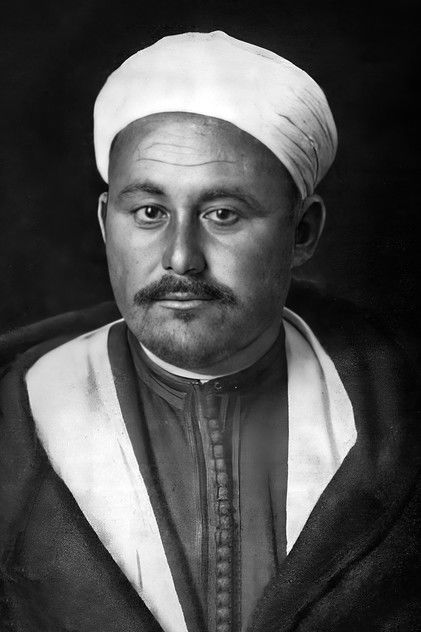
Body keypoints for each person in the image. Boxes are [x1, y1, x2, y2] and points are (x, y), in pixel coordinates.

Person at [0, 31, 419, 632]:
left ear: (302, 233)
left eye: (223, 214)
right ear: (106, 222)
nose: (180, 257)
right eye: (149, 212)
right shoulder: (17, 415)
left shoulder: (396, 416)